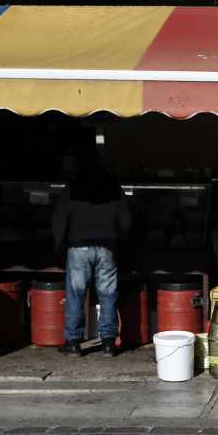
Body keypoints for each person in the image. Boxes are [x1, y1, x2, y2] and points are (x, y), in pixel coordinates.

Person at [52, 150, 131, 358]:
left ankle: (74, 343)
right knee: (108, 294)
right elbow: (126, 221)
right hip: (107, 246)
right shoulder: (115, 188)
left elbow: (59, 218)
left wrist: (58, 239)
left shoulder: (72, 187)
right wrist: (114, 233)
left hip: (78, 247)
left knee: (76, 294)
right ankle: (108, 344)